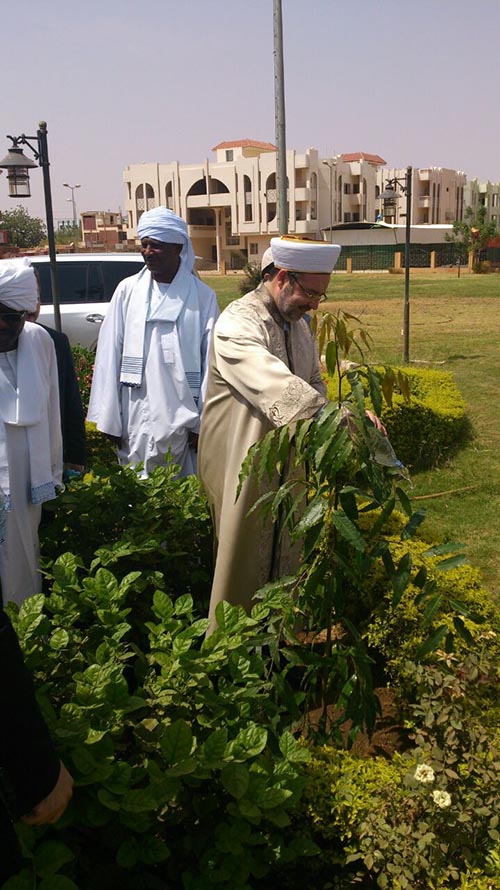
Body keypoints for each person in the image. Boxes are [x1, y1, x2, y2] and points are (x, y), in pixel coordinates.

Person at [198, 236, 341, 632]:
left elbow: (312, 382)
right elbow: (274, 384)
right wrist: (333, 417)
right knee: (241, 563)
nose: (315, 305)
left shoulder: (299, 326)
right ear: (282, 278)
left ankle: (277, 645)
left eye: (320, 296)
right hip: (241, 464)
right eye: (310, 293)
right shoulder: (237, 323)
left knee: (286, 556)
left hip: (286, 464)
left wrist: (335, 411)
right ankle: (230, 655)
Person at [87, 207, 219, 477]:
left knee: (181, 487)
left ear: (177, 248)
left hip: (185, 412)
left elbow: (212, 363)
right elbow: (109, 353)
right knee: (137, 482)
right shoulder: (127, 291)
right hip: (136, 408)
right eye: (144, 244)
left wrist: (202, 423)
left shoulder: (202, 297)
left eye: (156, 245)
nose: (148, 252)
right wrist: (110, 417)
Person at [0, 258, 62, 607]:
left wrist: (52, 472)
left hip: (27, 479)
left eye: (10, 317)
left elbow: (52, 407)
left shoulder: (39, 340)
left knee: (23, 553)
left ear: (25, 315)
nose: (2, 325)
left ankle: (23, 621)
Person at [27, 292, 86, 474]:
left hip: (47, 454)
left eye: (35, 298)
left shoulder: (55, 341)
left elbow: (70, 401)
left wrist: (75, 457)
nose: (31, 307)